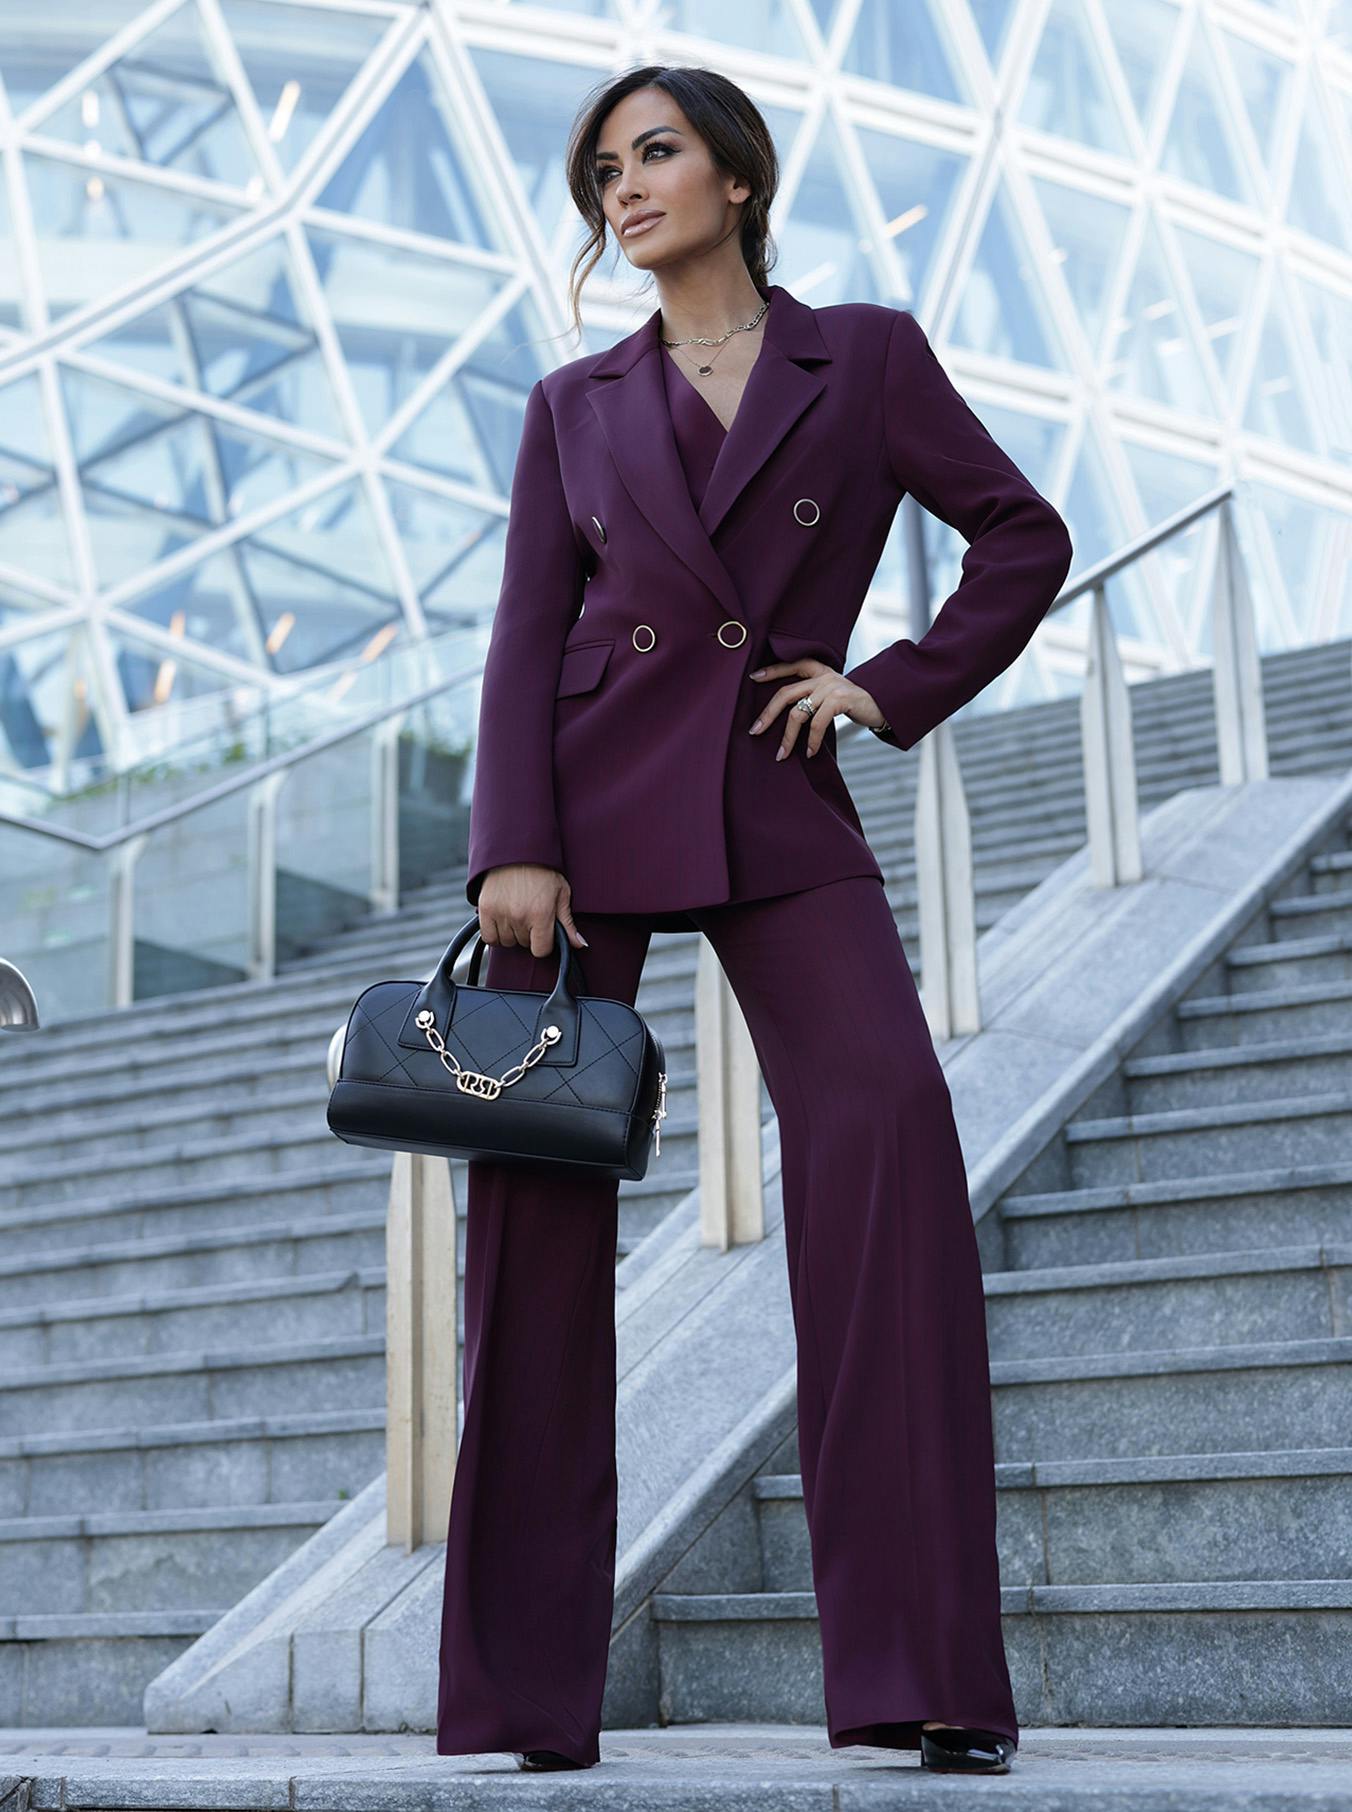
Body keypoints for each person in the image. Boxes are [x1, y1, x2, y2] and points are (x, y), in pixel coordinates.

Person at [436, 62, 1073, 1778]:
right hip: (579, 827)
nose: (622, 189)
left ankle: (926, 1673)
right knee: (536, 1241)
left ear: (737, 175)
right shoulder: (574, 403)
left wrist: (885, 688)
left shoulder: (857, 354)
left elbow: (1024, 534)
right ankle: (515, 1696)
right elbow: (520, 638)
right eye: (600, 171)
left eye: (653, 155)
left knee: (888, 1144)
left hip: (779, 798)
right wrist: (514, 842)